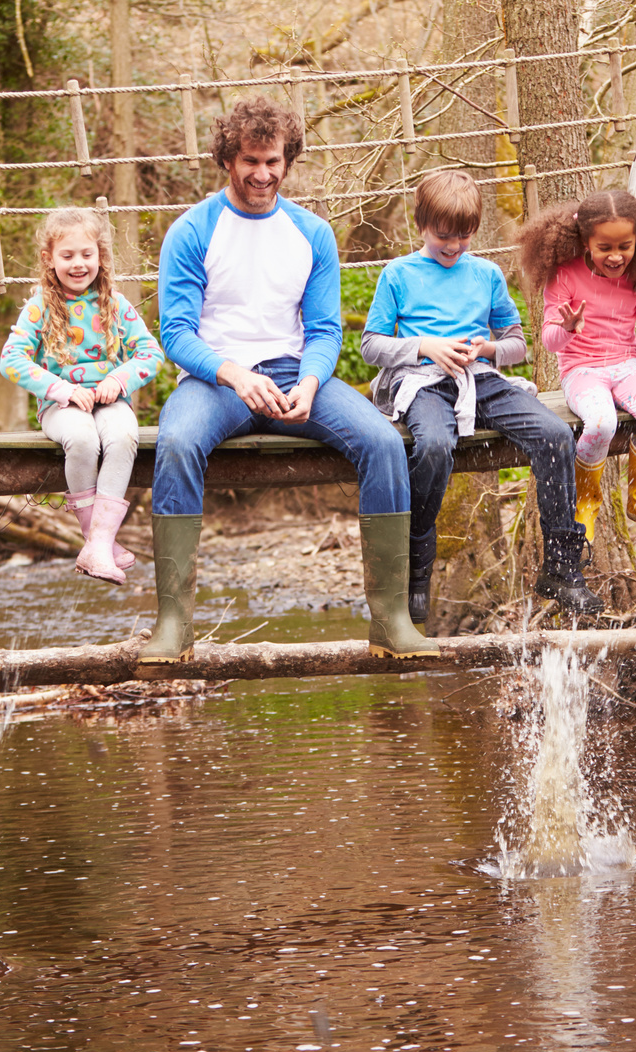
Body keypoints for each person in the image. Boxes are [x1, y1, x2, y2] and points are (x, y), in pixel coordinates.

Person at [144, 95, 436, 662]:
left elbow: (326, 330)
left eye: (273, 161)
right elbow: (176, 334)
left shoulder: (312, 233)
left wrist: (310, 380)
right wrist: (231, 373)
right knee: (176, 442)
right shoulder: (192, 231)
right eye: (250, 161)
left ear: (288, 159)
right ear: (228, 159)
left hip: (292, 373)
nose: (262, 173)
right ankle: (173, 624)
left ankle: (392, 620)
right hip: (214, 378)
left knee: (381, 441)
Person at [365, 168, 602, 625]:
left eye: (464, 236)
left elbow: (518, 344)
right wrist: (423, 345)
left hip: (481, 377)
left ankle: (561, 562)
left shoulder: (486, 274)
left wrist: (487, 348)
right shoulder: (398, 274)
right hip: (424, 380)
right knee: (434, 444)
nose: (453, 246)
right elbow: (371, 344)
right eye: (443, 236)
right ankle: (418, 561)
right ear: (421, 225)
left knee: (554, 434)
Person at [0, 207, 164, 584]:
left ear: (100, 256)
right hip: (61, 405)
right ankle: (99, 544)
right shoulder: (40, 306)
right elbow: (10, 360)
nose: (78, 264)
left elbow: (151, 353)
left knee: (124, 437)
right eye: (67, 255)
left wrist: (119, 381)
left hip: (110, 401)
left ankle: (98, 544)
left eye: (86, 255)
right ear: (49, 258)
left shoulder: (115, 304)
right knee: (83, 439)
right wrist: (63, 389)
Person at [520, 186, 636, 542]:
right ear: (586, 242)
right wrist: (567, 327)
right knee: (600, 423)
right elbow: (550, 340)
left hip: (626, 364)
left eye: (624, 246)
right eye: (605, 248)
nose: (616, 257)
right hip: (581, 370)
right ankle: (586, 501)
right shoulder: (564, 275)